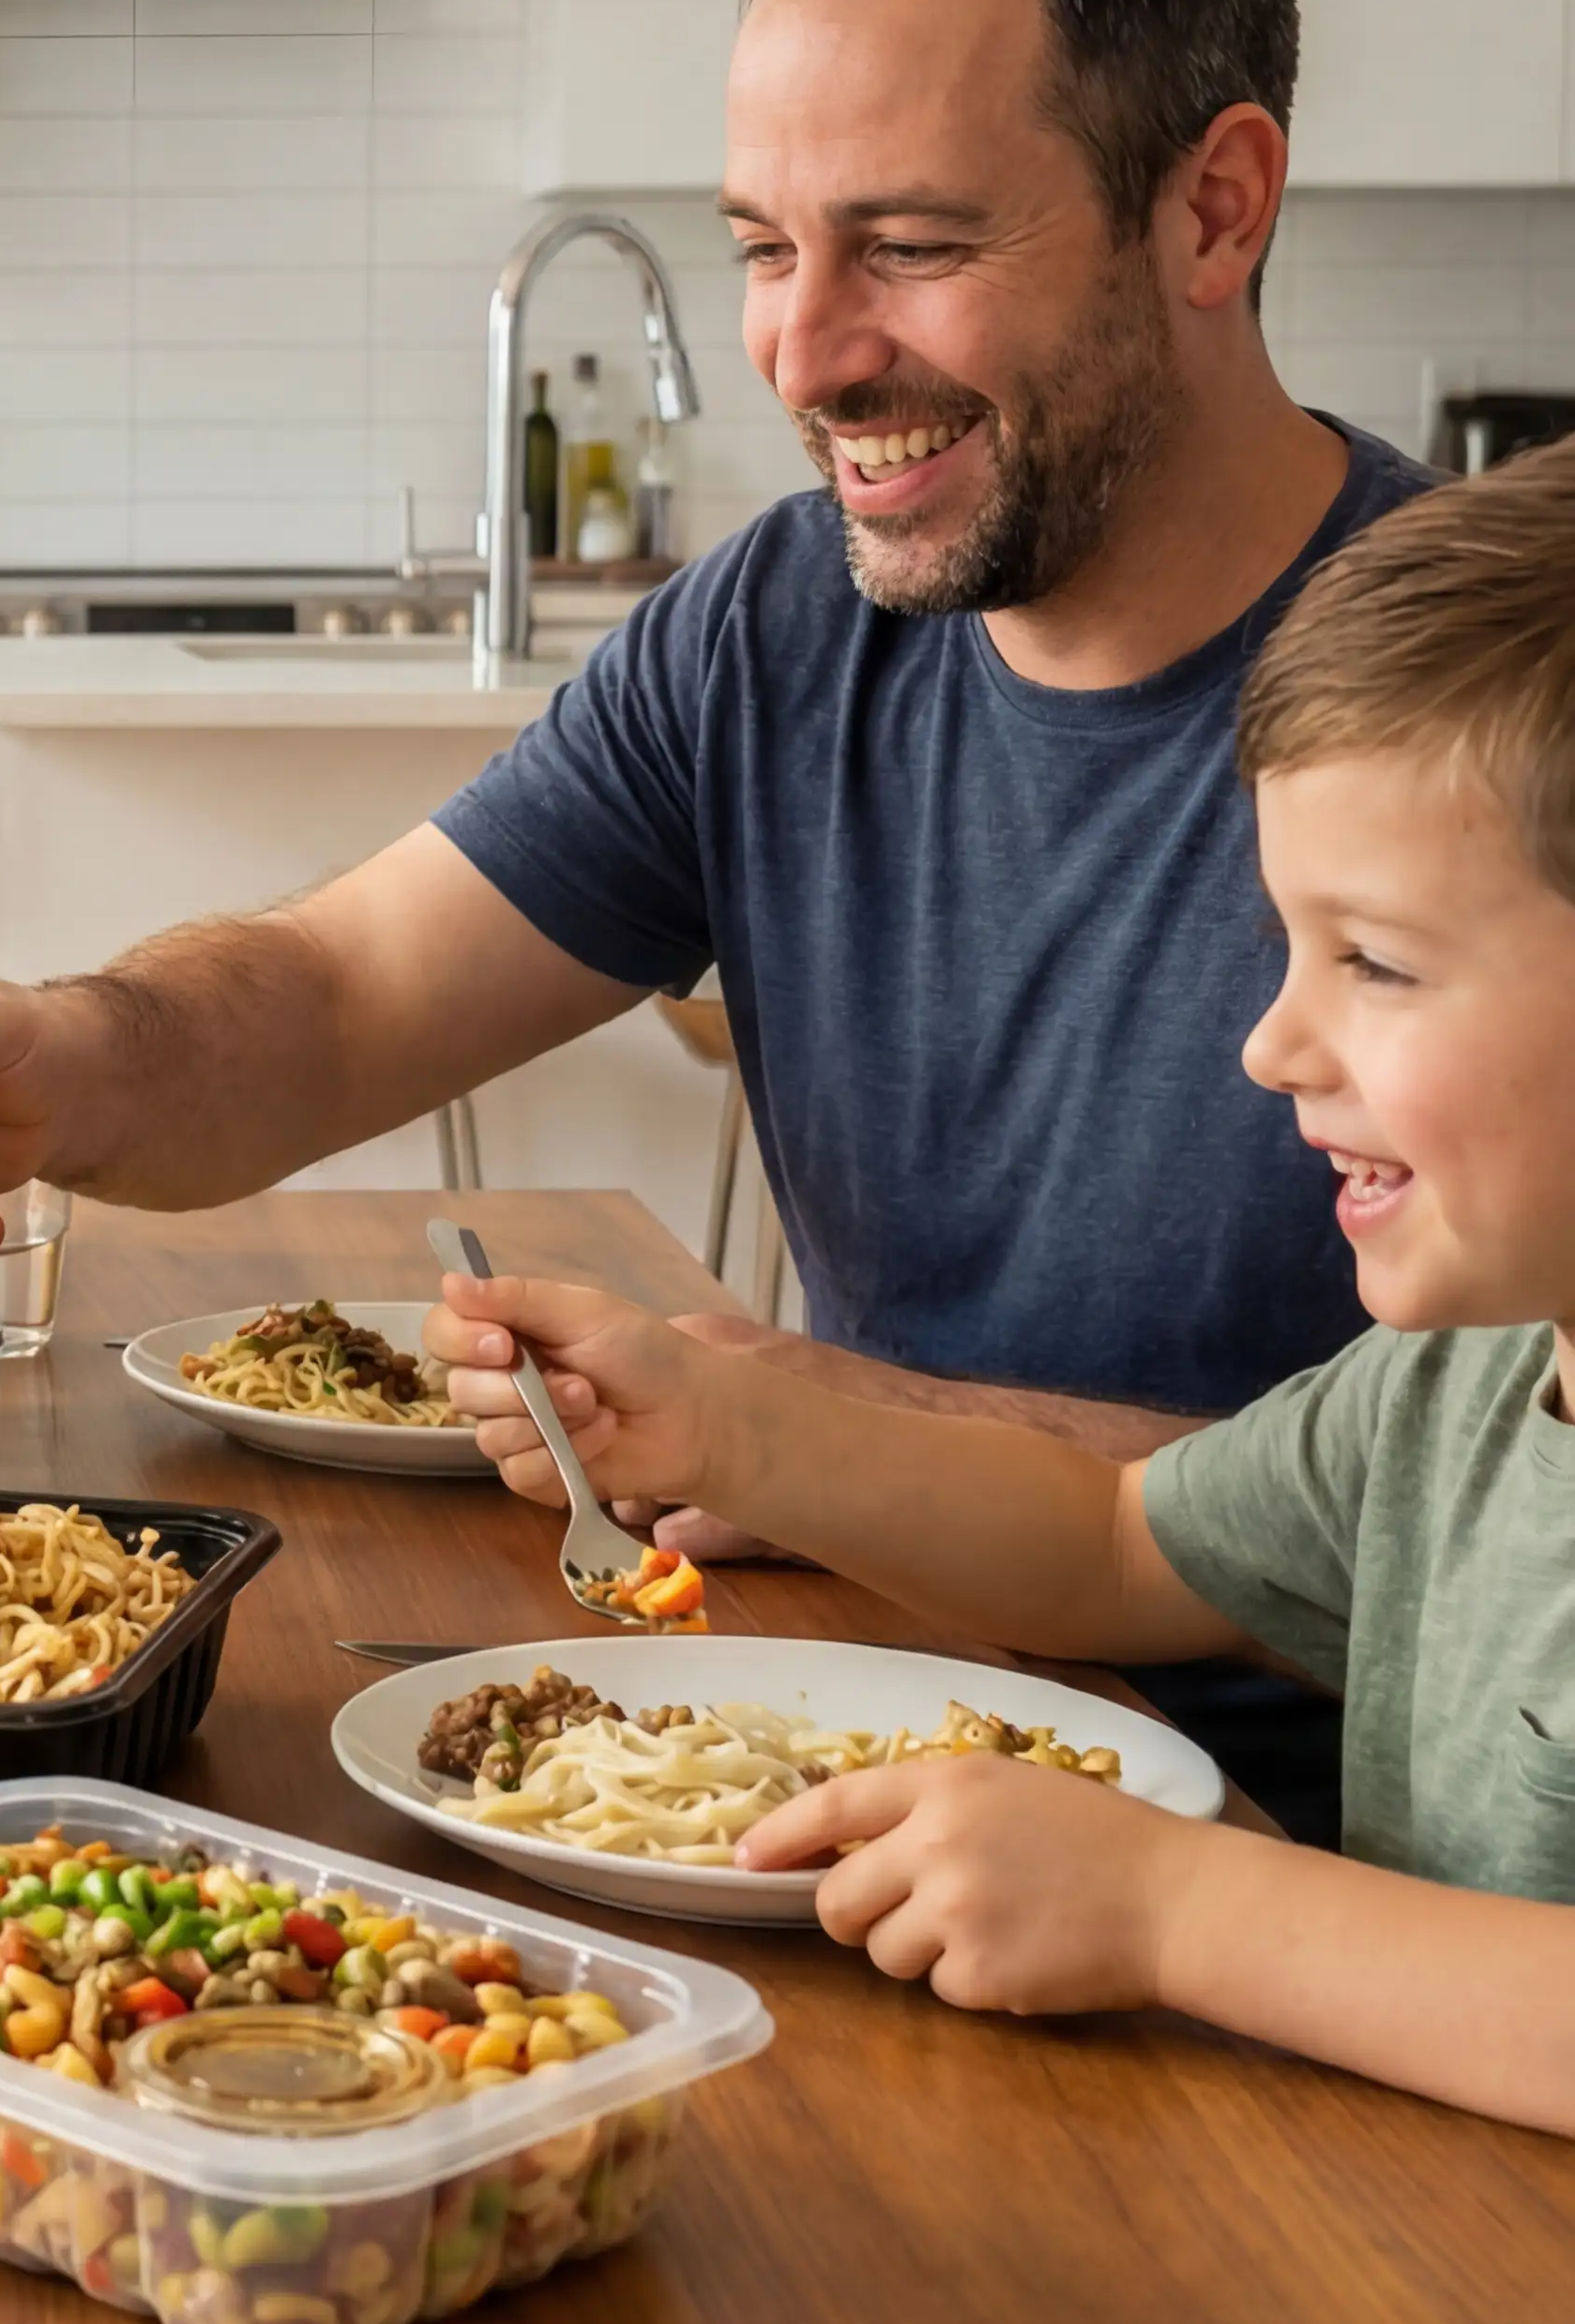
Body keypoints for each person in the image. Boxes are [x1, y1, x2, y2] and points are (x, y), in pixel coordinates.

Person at [0, 0, 1412, 1834]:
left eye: (906, 246)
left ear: (1212, 205)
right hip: (878, 1746)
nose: (803, 353)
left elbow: (1497, 1529)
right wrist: (58, 1055)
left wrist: (838, 1427)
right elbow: (346, 988)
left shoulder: (1480, 717)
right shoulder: (777, 631)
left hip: (1342, 1872)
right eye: (758, 248)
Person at [416, 448, 1575, 2135]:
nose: (1271, 1043)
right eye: (1287, 949)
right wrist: (733, 1427)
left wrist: (1174, 1908)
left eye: (1377, 963)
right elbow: (1110, 1544)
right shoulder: (1463, 1390)